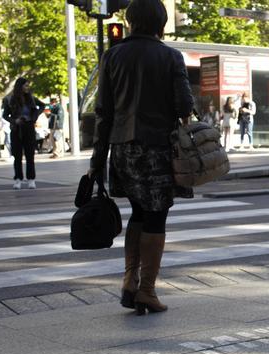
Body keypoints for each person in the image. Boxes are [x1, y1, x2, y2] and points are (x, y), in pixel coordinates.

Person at [90, 0, 194, 315]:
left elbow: (103, 112)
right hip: (156, 147)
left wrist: (97, 160)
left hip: (121, 147)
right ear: (161, 23)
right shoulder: (170, 56)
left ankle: (129, 281)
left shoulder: (112, 55)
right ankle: (147, 289)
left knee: (138, 213)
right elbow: (184, 106)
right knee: (156, 216)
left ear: (131, 20)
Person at [3, 78, 45, 189]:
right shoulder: (10, 99)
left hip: (29, 127)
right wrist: (14, 120)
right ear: (20, 86)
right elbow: (5, 115)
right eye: (25, 86)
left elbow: (42, 105)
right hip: (17, 129)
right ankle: (18, 179)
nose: (27, 88)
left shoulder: (31, 98)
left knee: (30, 155)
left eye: (28, 86)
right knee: (17, 155)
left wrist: (33, 117)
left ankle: (31, 179)